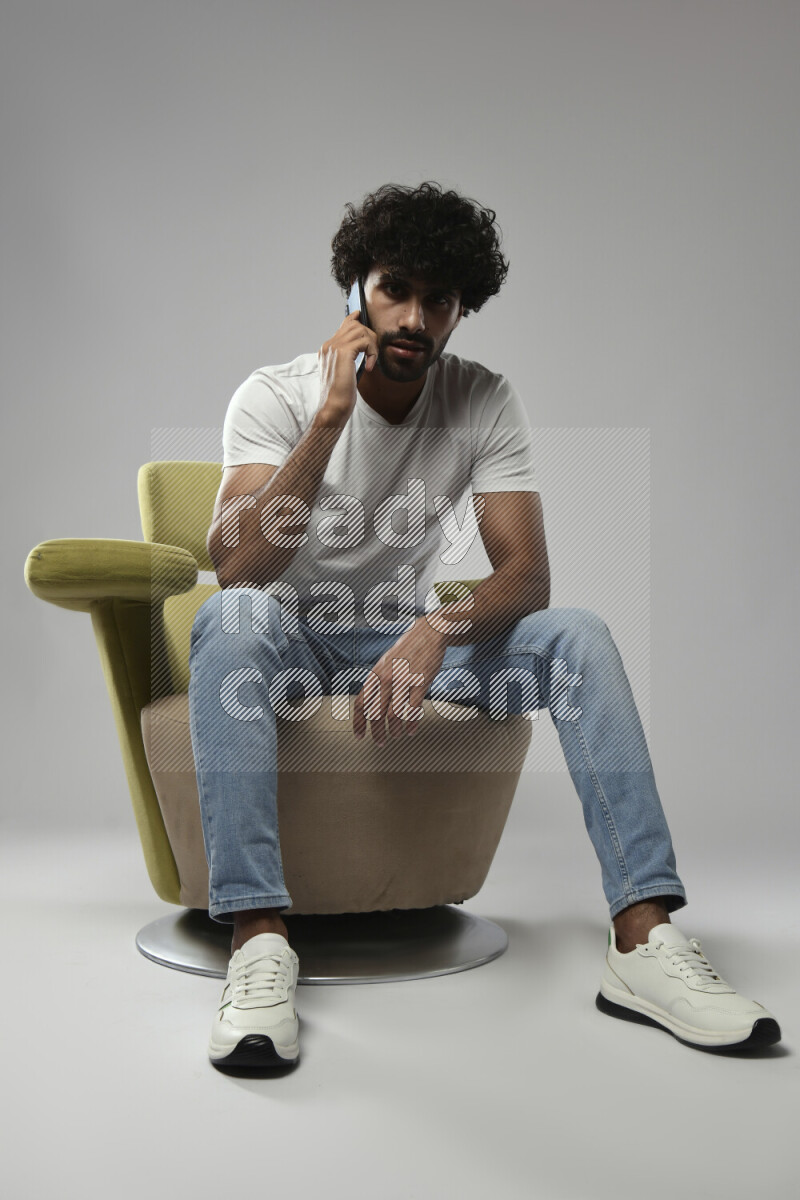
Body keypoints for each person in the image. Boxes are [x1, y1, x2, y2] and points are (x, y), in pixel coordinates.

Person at [188, 181, 781, 1068]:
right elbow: (241, 565)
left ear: (462, 310)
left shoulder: (482, 399)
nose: (415, 317)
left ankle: (642, 940)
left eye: (440, 300)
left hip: (402, 636)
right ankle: (259, 940)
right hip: (287, 641)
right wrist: (329, 421)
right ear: (356, 290)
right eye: (396, 289)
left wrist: (436, 632)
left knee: (575, 633)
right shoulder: (275, 396)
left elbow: (527, 576)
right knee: (230, 615)